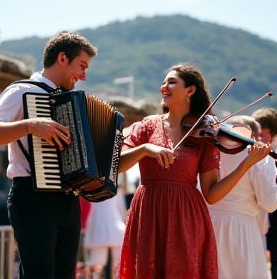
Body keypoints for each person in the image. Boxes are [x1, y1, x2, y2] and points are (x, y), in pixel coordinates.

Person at [117, 63, 272, 279]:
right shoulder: (147, 126)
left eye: (172, 82)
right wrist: (144, 149)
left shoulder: (205, 135)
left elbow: (212, 194)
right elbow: (119, 164)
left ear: (190, 91)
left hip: (186, 217)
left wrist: (245, 165)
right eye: (163, 82)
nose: (164, 86)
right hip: (148, 212)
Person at [0, 31, 97, 279]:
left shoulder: (72, 101)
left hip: (69, 201)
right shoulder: (21, 92)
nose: (83, 76)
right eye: (81, 66)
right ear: (62, 58)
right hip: (32, 199)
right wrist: (29, 125)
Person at [207, 115, 277, 279]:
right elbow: (270, 203)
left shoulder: (208, 150)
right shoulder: (260, 159)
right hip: (242, 229)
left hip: (208, 224)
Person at [252, 107, 277, 279]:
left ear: (274, 135)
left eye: (263, 135)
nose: (258, 140)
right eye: (256, 135)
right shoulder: (251, 152)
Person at [85, 189, 127, 279]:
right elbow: (122, 210)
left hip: (101, 228)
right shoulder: (117, 190)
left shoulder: (92, 190)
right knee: (117, 264)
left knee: (101, 265)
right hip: (113, 228)